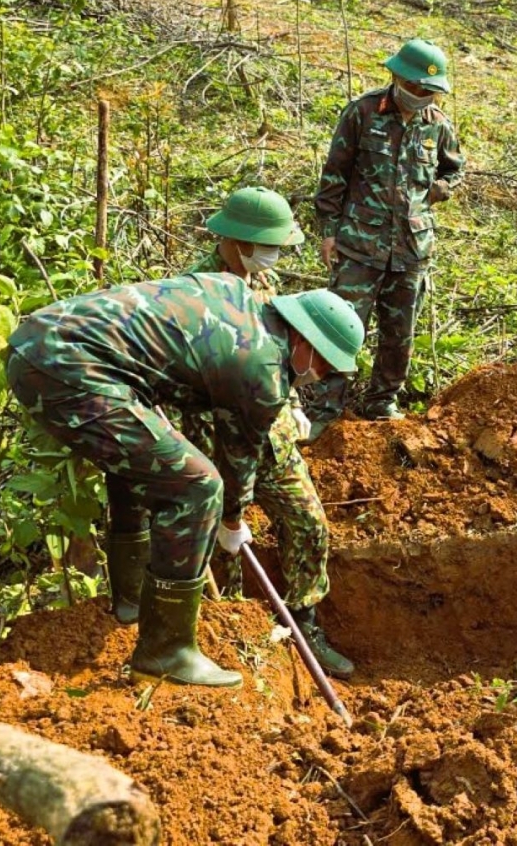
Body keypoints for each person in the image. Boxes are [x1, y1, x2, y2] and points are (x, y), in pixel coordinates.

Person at [5, 276, 363, 688]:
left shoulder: (236, 296)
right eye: (324, 363)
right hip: (65, 366)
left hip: (40, 343)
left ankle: (131, 600)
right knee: (198, 487)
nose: (319, 375)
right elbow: (238, 459)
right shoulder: (261, 368)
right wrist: (231, 520)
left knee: (142, 464)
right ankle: (166, 651)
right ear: (304, 340)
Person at [186, 186, 354, 678]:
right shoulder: (196, 292)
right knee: (225, 547)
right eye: (268, 244)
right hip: (217, 441)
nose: (273, 254)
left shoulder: (267, 281)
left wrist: (295, 402)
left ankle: (305, 622)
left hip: (274, 435)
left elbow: (290, 347)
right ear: (236, 240)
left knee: (309, 524)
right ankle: (234, 638)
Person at [310, 38, 465, 431]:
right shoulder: (362, 112)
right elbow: (334, 176)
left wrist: (443, 188)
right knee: (340, 328)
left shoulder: (438, 125)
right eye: (415, 87)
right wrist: (329, 233)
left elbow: (454, 170)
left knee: (400, 335)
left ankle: (382, 403)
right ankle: (326, 409)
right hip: (359, 245)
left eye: (429, 90)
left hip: (412, 250)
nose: (420, 95)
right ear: (396, 76)